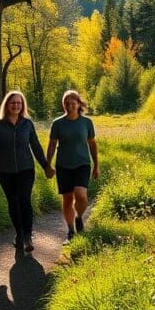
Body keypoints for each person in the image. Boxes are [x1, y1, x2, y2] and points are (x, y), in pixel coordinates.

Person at [0, 90, 52, 253]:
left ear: (23, 106)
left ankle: (28, 236)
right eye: (13, 102)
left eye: (19, 103)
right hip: (5, 171)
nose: (16, 105)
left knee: (24, 199)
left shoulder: (27, 124)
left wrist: (46, 166)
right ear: (7, 105)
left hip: (26, 169)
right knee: (13, 202)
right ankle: (19, 234)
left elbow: (35, 146)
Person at [46, 90, 98, 244]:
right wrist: (47, 165)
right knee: (67, 199)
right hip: (63, 165)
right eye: (67, 103)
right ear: (64, 105)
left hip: (83, 164)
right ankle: (70, 230)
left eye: (73, 102)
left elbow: (92, 144)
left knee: (81, 195)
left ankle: (79, 217)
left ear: (79, 104)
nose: (70, 105)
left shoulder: (86, 122)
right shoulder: (58, 123)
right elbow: (52, 145)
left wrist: (96, 165)